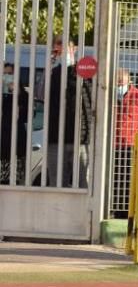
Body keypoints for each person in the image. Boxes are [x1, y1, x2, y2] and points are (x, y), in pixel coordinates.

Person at [43, 39, 92, 188]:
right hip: (55, 138)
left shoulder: (84, 71)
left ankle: (86, 212)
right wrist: (50, 66)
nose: (62, 54)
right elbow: (39, 93)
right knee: (56, 183)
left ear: (75, 49)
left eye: (66, 50)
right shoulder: (52, 73)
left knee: (84, 184)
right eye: (58, 51)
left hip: (80, 138)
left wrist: (72, 68)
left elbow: (89, 96)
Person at [112, 68, 138, 218]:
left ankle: (129, 212)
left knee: (129, 180)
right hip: (112, 145)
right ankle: (115, 210)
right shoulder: (108, 95)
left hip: (130, 145)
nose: (118, 84)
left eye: (121, 81)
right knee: (114, 180)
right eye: (116, 81)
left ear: (129, 80)